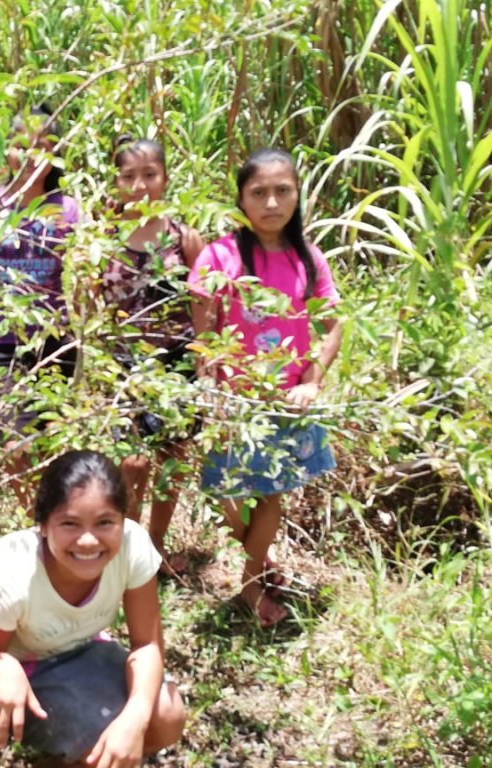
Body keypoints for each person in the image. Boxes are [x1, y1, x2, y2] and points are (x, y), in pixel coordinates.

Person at [188, 148, 344, 628]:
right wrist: (210, 385)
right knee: (231, 497)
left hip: (284, 403)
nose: (271, 202)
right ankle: (260, 558)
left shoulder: (308, 259)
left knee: (270, 494)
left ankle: (251, 585)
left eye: (283, 191)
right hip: (234, 404)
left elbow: (333, 325)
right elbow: (203, 330)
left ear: (297, 195)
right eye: (259, 192)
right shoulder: (220, 256)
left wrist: (312, 381)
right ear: (241, 199)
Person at [0, 450, 186, 766]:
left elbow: (147, 644)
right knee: (94, 745)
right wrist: (0, 667)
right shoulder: (14, 572)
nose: (88, 541)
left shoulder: (133, 545)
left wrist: (135, 718)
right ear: (43, 525)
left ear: (123, 519)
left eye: (104, 522)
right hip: (30, 667)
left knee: (167, 716)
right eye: (70, 524)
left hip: (88, 649)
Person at [0, 106, 81, 508]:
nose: (31, 155)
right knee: (14, 444)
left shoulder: (70, 211)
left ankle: (50, 520)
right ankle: (32, 521)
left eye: (43, 146)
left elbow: (84, 281)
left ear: (56, 154)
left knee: (53, 441)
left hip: (54, 341)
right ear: (3, 150)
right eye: (20, 145)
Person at [102, 136, 204, 574]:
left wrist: (205, 356)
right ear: (116, 181)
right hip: (124, 364)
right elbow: (89, 302)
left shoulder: (185, 238)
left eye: (150, 175)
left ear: (165, 177)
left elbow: (202, 301)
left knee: (173, 458)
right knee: (132, 463)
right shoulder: (102, 237)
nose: (140, 185)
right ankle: (127, 554)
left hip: (177, 361)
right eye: (129, 176)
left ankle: (155, 548)